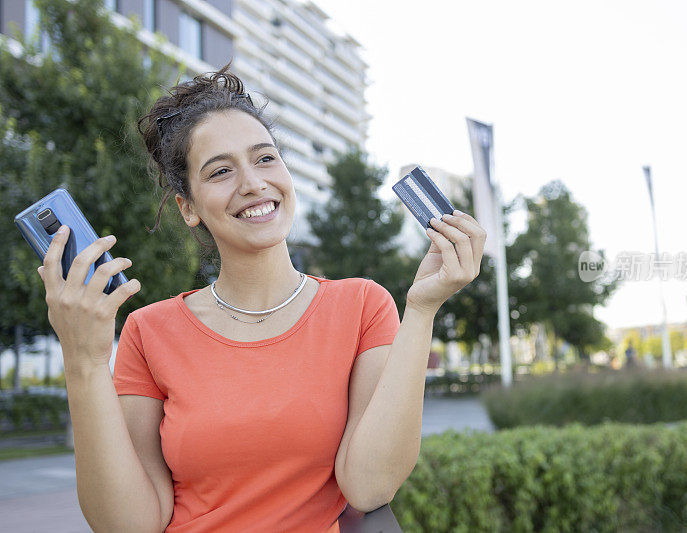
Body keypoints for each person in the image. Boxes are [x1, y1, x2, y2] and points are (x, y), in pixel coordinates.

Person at [36, 64, 486, 532]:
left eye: (266, 158)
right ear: (187, 207)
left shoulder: (361, 306)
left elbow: (369, 486)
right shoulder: (149, 331)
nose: (253, 183)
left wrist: (423, 309)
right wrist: (83, 362)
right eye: (221, 171)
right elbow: (127, 525)